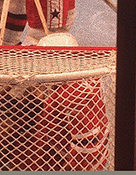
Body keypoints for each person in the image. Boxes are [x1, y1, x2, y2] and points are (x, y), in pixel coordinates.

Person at [29, 32, 110, 171]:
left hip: (79, 163)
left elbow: (88, 153)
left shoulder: (71, 97)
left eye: (43, 63)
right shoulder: (87, 79)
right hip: (76, 153)